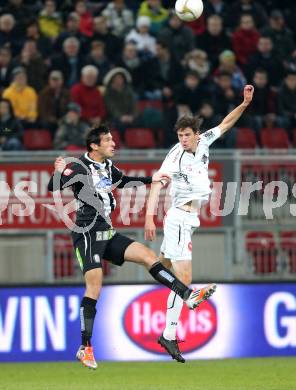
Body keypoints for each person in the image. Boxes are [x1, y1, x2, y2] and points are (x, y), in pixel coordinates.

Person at [47, 124, 216, 369]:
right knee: (94, 286)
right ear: (94, 146)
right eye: (108, 140)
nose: (113, 143)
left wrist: (151, 179)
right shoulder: (77, 166)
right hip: (87, 233)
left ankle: (188, 296)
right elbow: (52, 187)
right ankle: (85, 347)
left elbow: (123, 181)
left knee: (148, 256)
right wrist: (57, 171)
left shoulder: (106, 166)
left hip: (108, 231)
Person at [144, 85, 254, 363]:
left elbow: (225, 125)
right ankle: (169, 333)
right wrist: (148, 216)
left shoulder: (204, 142)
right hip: (179, 218)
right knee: (184, 279)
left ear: (195, 134)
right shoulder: (174, 157)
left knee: (163, 270)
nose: (183, 139)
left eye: (186, 135)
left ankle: (168, 331)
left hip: (186, 220)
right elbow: (157, 182)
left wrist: (244, 103)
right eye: (179, 135)